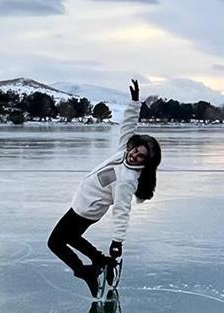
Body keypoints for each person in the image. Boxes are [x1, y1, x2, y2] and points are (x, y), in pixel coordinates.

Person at [47, 79, 162, 298]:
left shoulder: (127, 180)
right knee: (71, 239)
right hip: (83, 203)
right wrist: (135, 103)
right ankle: (101, 262)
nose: (134, 155)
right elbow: (129, 126)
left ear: (146, 163)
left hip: (86, 210)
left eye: (140, 156)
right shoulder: (122, 153)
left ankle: (86, 272)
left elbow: (121, 211)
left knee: (55, 243)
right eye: (135, 150)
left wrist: (117, 242)